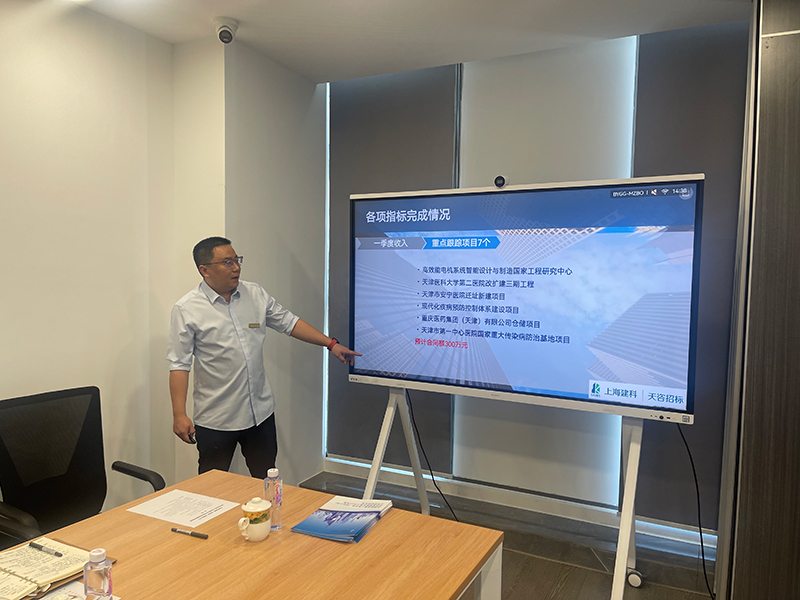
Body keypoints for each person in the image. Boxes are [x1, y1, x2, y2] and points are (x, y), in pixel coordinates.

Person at [167, 236, 361, 478]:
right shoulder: (187, 309)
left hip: (259, 414)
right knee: (211, 487)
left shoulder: (255, 294)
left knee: (267, 481)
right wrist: (179, 414)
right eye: (227, 262)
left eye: (236, 260)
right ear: (204, 270)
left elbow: (289, 322)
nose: (236, 268)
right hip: (217, 419)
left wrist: (331, 344)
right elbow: (179, 364)